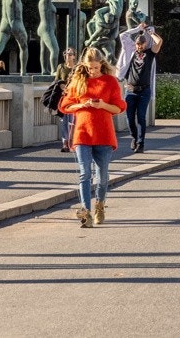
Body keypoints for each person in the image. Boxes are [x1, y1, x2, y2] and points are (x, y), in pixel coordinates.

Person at [58, 47, 126, 228]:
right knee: (84, 174)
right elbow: (65, 107)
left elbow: (119, 108)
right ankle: (86, 212)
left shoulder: (110, 81)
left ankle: (100, 205)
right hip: (82, 133)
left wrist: (103, 104)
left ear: (101, 65)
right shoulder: (78, 80)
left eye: (95, 67)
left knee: (102, 178)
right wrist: (82, 104)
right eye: (89, 68)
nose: (92, 71)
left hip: (104, 134)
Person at [117, 21, 163, 152]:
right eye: (137, 43)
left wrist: (149, 32)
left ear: (145, 43)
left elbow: (159, 42)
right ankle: (134, 137)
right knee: (129, 117)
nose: (139, 46)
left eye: (142, 43)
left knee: (141, 116)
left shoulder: (149, 53)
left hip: (144, 90)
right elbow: (123, 36)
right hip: (130, 89)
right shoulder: (130, 52)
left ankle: (141, 143)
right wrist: (137, 29)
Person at [54, 47, 78, 151]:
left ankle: (72, 140)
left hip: (75, 97)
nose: (67, 55)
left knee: (73, 120)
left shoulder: (78, 68)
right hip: (63, 97)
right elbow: (56, 80)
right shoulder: (61, 67)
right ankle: (65, 142)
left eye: (70, 54)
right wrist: (61, 86)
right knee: (63, 120)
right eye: (66, 54)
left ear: (74, 56)